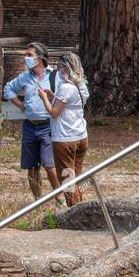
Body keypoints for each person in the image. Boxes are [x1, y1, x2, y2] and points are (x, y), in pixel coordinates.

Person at [2, 42, 62, 201]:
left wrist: (54, 101)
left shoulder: (55, 76)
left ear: (40, 57)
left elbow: (65, 97)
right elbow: (8, 89)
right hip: (30, 126)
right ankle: (38, 201)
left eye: (29, 55)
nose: (26, 58)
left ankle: (60, 199)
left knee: (50, 166)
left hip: (48, 126)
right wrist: (20, 105)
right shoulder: (25, 77)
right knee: (32, 168)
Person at [39, 52, 89, 206]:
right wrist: (54, 96)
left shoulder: (66, 87)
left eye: (59, 67)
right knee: (76, 176)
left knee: (67, 180)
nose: (58, 70)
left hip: (65, 138)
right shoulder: (81, 86)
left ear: (65, 67)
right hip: (81, 135)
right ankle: (81, 207)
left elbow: (54, 113)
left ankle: (74, 213)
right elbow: (70, 105)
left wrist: (45, 98)